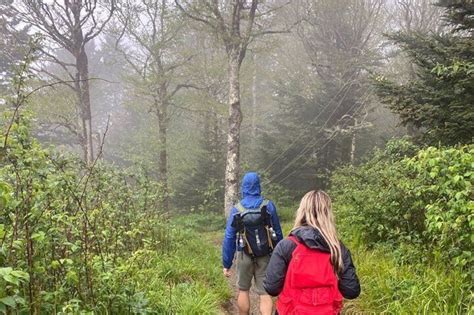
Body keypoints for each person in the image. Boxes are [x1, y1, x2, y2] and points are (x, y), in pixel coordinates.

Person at [263, 190, 360, 315]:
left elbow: (272, 288)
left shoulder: (286, 246)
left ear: (302, 211)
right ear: (328, 214)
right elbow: (351, 291)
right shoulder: (337, 248)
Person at [222, 172, 283, 315]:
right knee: (264, 292)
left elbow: (229, 237)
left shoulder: (237, 209)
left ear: (243, 187)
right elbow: (278, 232)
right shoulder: (268, 206)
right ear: (258, 186)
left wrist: (226, 263)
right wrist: (281, 257)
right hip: (265, 255)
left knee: (243, 290)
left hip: (244, 255)